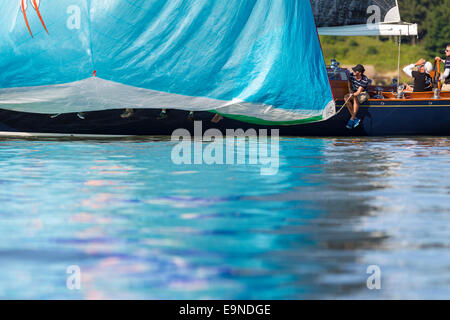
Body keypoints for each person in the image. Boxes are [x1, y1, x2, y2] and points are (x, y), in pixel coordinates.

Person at [344, 64, 371, 129]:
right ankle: (355, 119)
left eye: (355, 71)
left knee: (355, 97)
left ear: (360, 73)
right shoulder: (351, 75)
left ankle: (352, 119)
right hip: (353, 92)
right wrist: (350, 91)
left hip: (363, 93)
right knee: (345, 98)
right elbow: (349, 84)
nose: (353, 71)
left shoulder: (365, 79)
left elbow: (358, 92)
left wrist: (352, 94)